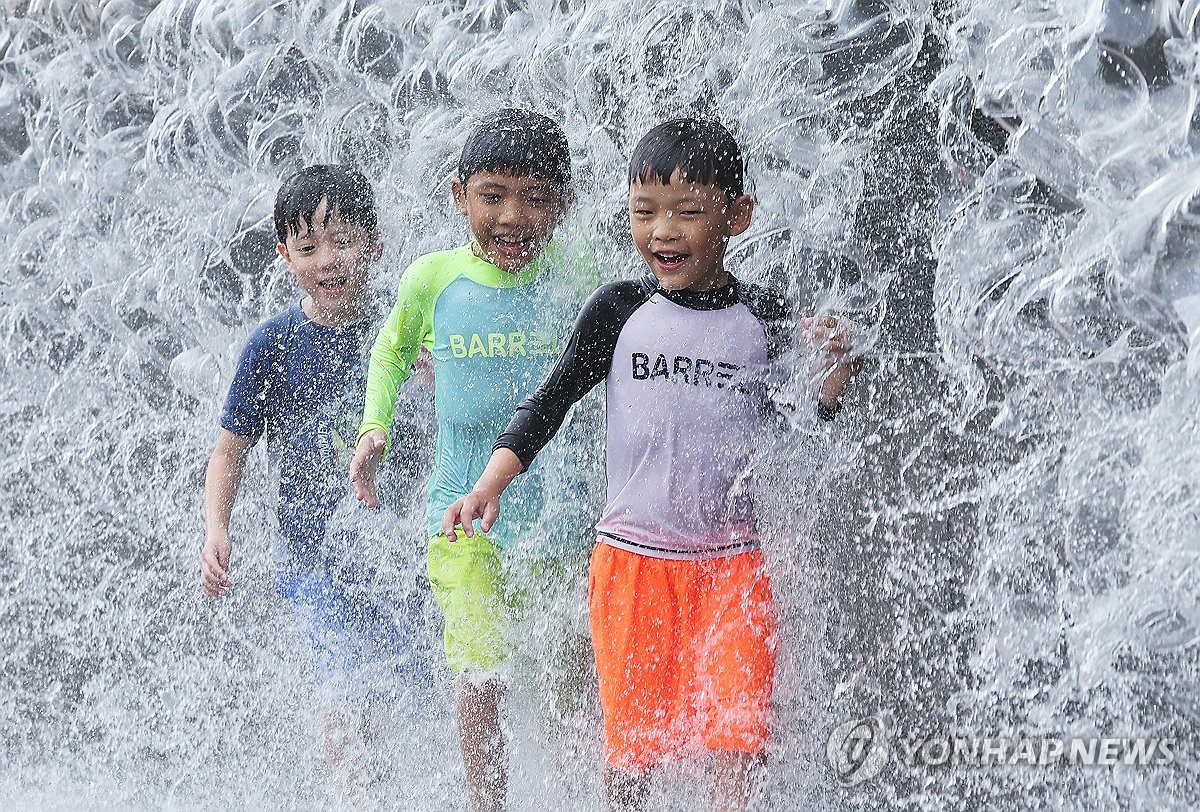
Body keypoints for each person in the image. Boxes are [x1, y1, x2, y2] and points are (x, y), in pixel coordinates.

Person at [442, 118, 862, 811]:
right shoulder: (618, 310)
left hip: (733, 565)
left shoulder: (765, 319)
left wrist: (835, 376)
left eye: (687, 212)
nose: (663, 231)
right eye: (645, 213)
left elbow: (791, 426)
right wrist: (490, 484)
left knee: (739, 736)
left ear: (739, 215)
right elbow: (548, 403)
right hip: (634, 565)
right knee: (633, 751)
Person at [349, 108, 594, 812]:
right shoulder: (433, 279)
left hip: (558, 516)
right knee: (480, 669)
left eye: (536, 198)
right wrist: (375, 428)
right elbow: (391, 351)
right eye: (493, 196)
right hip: (461, 512)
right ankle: (489, 804)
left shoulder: (577, 275)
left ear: (564, 204)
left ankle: (574, 794)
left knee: (567, 674)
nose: (512, 217)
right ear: (459, 196)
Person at [200, 164, 433, 791]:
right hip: (314, 561)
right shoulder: (273, 344)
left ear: (376, 243)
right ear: (284, 254)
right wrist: (217, 528)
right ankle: (353, 800)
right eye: (308, 248)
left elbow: (454, 416)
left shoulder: (404, 329)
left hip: (403, 554)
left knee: (407, 696)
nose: (327, 261)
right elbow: (230, 451)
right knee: (343, 691)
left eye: (344, 241)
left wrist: (439, 376)